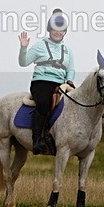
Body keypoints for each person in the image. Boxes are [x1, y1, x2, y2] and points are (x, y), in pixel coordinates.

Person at [18, 9, 75, 155]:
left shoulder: (68, 49)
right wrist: (24, 48)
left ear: (64, 32)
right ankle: (37, 140)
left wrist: (70, 80)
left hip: (61, 84)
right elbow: (23, 63)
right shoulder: (39, 46)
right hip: (42, 82)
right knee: (43, 104)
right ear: (50, 30)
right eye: (55, 29)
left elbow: (70, 69)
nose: (58, 32)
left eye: (61, 30)